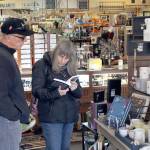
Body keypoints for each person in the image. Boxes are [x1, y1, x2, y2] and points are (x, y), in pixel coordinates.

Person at [32, 39, 82, 150]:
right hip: (51, 116)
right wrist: (56, 93)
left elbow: (79, 94)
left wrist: (75, 88)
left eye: (67, 58)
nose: (63, 61)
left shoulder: (70, 67)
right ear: (56, 52)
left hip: (69, 116)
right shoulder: (42, 65)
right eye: (61, 56)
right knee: (54, 148)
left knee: (65, 147)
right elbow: (36, 90)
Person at [0, 17, 34, 150]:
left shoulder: (6, 54)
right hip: (6, 120)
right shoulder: (2, 57)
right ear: (7, 36)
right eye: (21, 37)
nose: (24, 41)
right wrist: (15, 114)